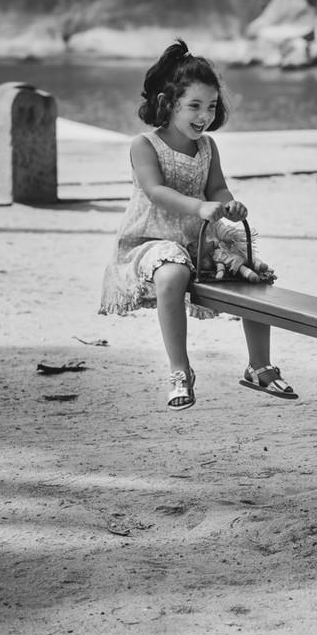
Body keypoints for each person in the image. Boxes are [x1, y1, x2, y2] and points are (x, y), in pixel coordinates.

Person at [99, 39, 298, 411]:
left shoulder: (207, 146)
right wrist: (201, 206)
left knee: (252, 270)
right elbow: (156, 191)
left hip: (197, 237)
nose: (203, 115)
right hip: (151, 240)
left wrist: (228, 205)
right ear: (168, 103)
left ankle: (259, 364)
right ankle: (180, 370)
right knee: (172, 273)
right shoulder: (145, 145)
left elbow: (217, 188)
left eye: (210, 106)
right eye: (193, 106)